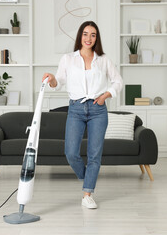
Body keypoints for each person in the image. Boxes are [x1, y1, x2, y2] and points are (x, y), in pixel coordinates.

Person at [42, 21, 123, 209]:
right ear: (80, 36)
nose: (89, 38)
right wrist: (52, 80)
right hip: (76, 109)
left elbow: (118, 81)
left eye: (93, 35)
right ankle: (88, 178)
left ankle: (88, 194)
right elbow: (59, 82)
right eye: (85, 34)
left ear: (97, 38)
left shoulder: (103, 59)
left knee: (95, 155)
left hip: (98, 109)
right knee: (71, 153)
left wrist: (106, 95)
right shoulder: (68, 59)